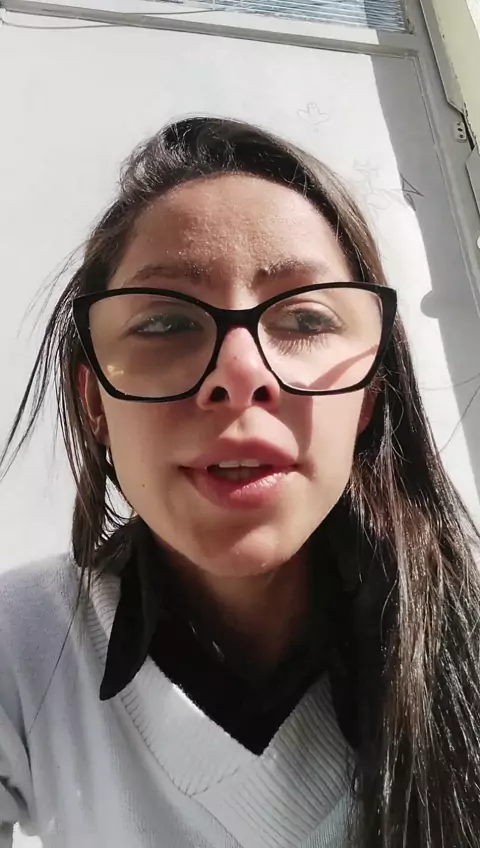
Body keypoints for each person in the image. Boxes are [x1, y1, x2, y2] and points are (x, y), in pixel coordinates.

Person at [1, 116, 479, 848]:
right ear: (95, 403)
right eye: (165, 323)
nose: (241, 374)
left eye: (307, 318)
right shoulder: (19, 650)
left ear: (368, 399)